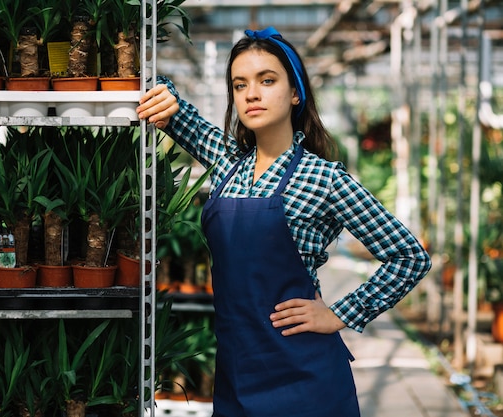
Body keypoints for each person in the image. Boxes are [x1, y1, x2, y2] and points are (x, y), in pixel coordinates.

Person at [137, 26, 431, 417]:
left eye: (267, 80)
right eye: (240, 85)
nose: (252, 93)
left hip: (306, 380)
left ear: (295, 93)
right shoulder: (228, 165)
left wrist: (339, 314)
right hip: (237, 376)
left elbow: (409, 256)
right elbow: (169, 101)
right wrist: (162, 92)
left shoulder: (325, 178)